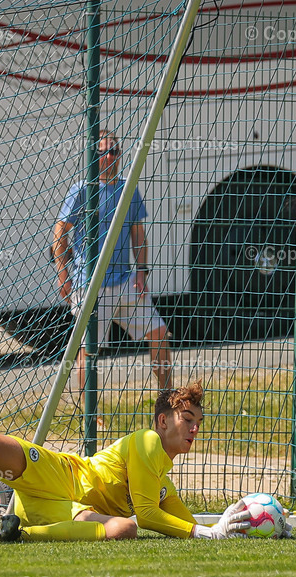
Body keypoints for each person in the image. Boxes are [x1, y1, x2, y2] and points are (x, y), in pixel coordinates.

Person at [0, 370, 273, 542]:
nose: (194, 428)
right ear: (162, 422)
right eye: (187, 419)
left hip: (61, 511)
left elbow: (186, 522)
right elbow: (154, 516)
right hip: (56, 474)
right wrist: (205, 532)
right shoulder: (147, 443)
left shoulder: (163, 478)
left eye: (198, 422)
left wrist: (240, 523)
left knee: (122, 530)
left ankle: (17, 532)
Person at [52, 129, 173, 391]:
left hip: (126, 282)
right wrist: (64, 277)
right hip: (90, 286)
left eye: (114, 151)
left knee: (160, 334)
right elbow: (59, 234)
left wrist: (141, 272)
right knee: (89, 350)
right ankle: (88, 410)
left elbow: (138, 234)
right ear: (93, 157)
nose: (110, 156)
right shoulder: (82, 190)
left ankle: (167, 400)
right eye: (104, 152)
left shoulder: (128, 188)